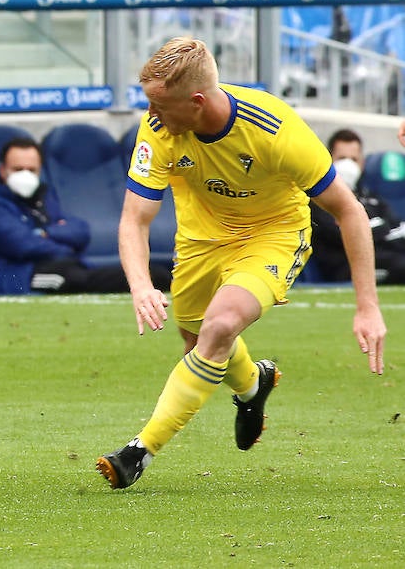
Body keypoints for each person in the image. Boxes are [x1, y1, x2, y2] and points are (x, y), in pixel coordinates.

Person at [97, 37, 387, 490]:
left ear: (196, 102)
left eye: (160, 105)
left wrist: (367, 306)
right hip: (200, 239)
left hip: (273, 235)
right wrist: (140, 285)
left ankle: (139, 451)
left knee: (220, 326)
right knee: (198, 341)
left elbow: (349, 210)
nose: (151, 113)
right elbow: (134, 218)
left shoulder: (274, 130)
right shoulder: (159, 126)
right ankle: (253, 384)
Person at [0, 137, 171, 295]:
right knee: (76, 279)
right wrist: (64, 245)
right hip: (18, 276)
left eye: (31, 170)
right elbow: (22, 244)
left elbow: (80, 231)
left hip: (64, 265)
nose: (25, 175)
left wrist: (45, 234)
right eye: (18, 169)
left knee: (154, 273)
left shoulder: (43, 195)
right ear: (3, 171)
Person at [311, 128, 405, 283]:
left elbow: (397, 228)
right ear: (329, 160)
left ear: (362, 164)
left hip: (382, 257)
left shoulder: (370, 197)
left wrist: (379, 230)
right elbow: (341, 235)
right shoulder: (319, 199)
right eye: (342, 158)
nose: (348, 165)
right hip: (345, 267)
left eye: (353, 159)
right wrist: (381, 228)